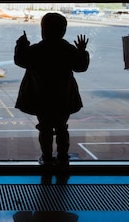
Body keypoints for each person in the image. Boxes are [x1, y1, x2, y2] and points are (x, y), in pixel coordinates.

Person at [14, 12, 89, 166]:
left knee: (45, 128)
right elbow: (81, 66)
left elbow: (21, 60)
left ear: (44, 30)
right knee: (62, 128)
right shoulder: (67, 49)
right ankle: (63, 157)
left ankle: (46, 157)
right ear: (63, 30)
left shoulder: (37, 50)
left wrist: (21, 45)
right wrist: (82, 50)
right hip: (63, 97)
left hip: (41, 97)